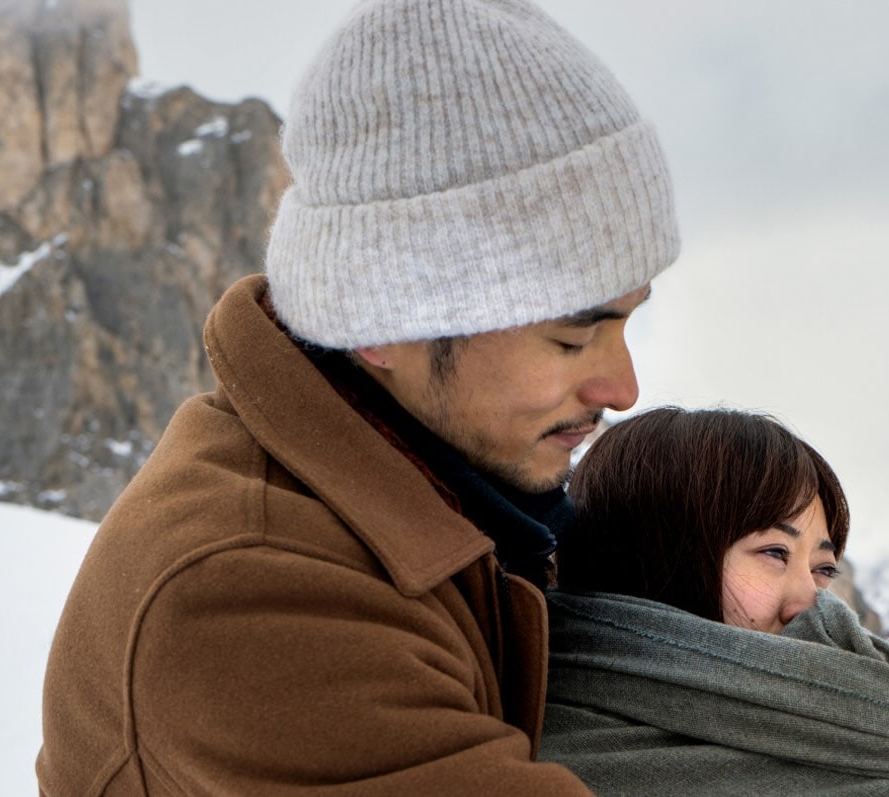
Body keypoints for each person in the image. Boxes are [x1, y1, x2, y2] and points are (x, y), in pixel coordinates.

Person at [36, 0, 678, 792]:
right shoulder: (253, 598)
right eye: (573, 336)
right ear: (382, 325)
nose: (622, 387)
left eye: (628, 323)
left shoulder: (451, 505)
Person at [541, 407, 889, 796]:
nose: (811, 601)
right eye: (774, 552)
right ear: (655, 558)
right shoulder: (524, 759)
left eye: (823, 569)